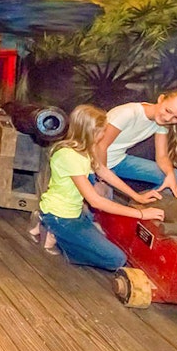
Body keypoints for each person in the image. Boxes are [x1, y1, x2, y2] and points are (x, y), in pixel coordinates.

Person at [36, 105, 165, 269]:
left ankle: (62, 232)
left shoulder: (86, 149)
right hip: (59, 217)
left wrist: (136, 196)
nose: (104, 134)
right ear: (88, 131)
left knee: (100, 234)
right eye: (101, 131)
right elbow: (95, 201)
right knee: (116, 259)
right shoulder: (68, 155)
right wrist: (140, 214)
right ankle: (53, 232)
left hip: (74, 214)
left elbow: (104, 171)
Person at [92, 87, 177, 202]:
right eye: (168, 111)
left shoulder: (161, 124)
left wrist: (170, 174)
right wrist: (102, 178)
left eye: (176, 118)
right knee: (100, 201)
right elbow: (101, 146)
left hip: (118, 161)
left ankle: (143, 205)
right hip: (95, 163)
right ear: (161, 99)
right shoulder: (128, 113)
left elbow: (162, 156)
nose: (168, 118)